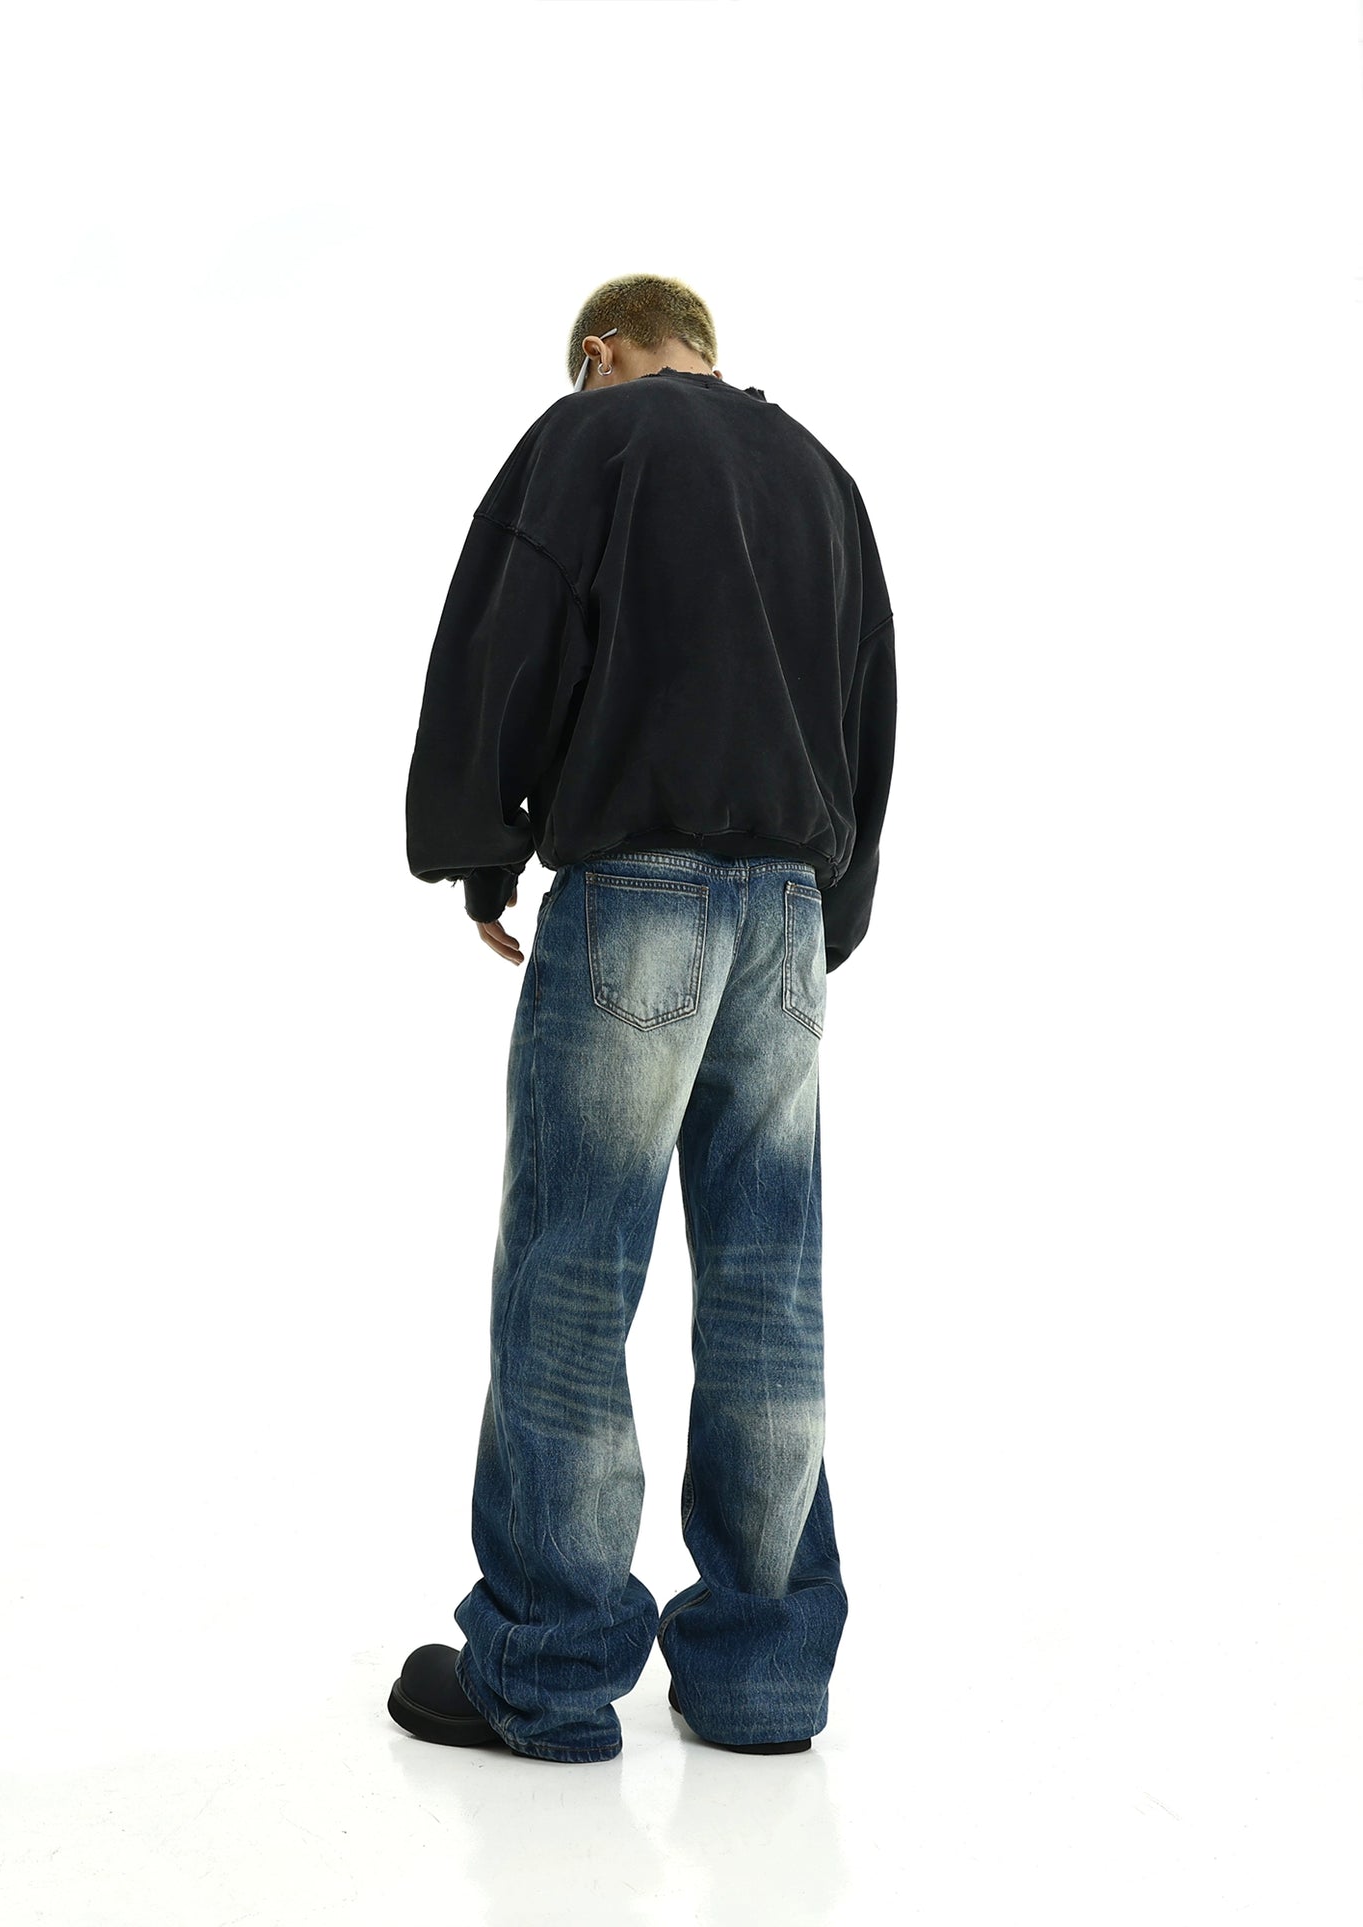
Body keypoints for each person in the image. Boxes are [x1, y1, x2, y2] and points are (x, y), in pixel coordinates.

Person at [387, 274, 897, 1763]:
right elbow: (869, 703)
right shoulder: (821, 477)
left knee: (572, 1276)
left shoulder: (593, 434)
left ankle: (547, 1670)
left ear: (601, 351)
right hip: (787, 913)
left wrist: (481, 845)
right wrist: (830, 913)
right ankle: (761, 1680)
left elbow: (506, 630)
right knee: (767, 1289)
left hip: (636, 896)